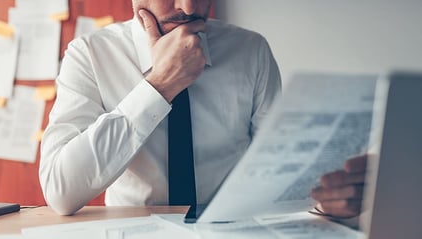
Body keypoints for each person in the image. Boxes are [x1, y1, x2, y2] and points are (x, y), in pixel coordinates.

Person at [39, 0, 366, 219]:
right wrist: (160, 85)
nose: (189, 7)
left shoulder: (251, 50)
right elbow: (60, 191)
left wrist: (326, 202)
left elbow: (282, 177)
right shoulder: (91, 54)